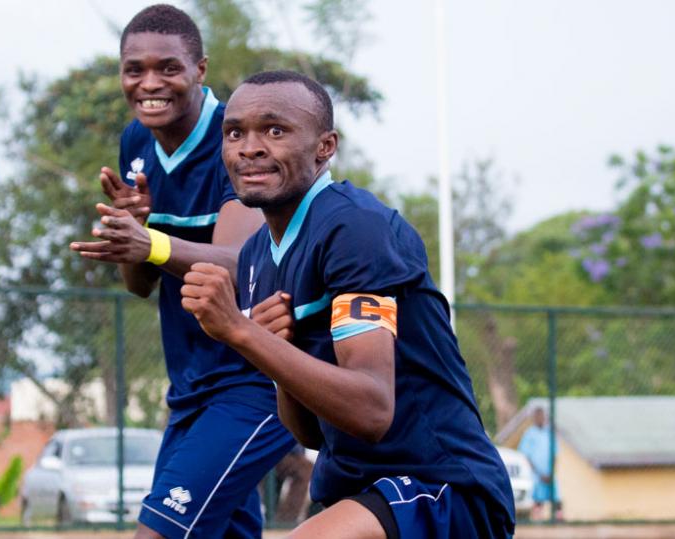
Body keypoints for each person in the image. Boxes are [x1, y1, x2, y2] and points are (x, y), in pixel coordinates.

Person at [180, 70, 516, 539]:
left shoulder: (353, 229)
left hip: (441, 488)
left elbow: (372, 411)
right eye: (235, 132)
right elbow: (311, 434)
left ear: (325, 146)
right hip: (360, 494)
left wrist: (241, 331)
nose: (249, 147)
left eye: (275, 130)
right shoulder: (258, 256)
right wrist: (272, 350)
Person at [69, 6, 294, 538]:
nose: (150, 83)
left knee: (159, 532)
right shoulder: (136, 142)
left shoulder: (236, 137)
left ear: (200, 69)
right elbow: (142, 284)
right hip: (191, 385)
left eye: (168, 67)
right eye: (134, 69)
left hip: (255, 379)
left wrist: (150, 241)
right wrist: (134, 235)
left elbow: (244, 264)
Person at [518, 407, 563, 521]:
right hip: (536, 475)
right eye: (537, 416)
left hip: (550, 474)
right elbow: (525, 456)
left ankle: (559, 520)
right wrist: (539, 473)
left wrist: (552, 472)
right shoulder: (529, 434)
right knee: (538, 499)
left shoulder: (549, 433)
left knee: (556, 499)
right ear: (534, 418)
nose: (540, 418)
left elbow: (555, 454)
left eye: (542, 415)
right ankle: (538, 521)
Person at [272, 444, 313, 524]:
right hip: (273, 454)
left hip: (289, 454)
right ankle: (286, 519)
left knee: (308, 467)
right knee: (305, 468)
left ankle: (286, 518)